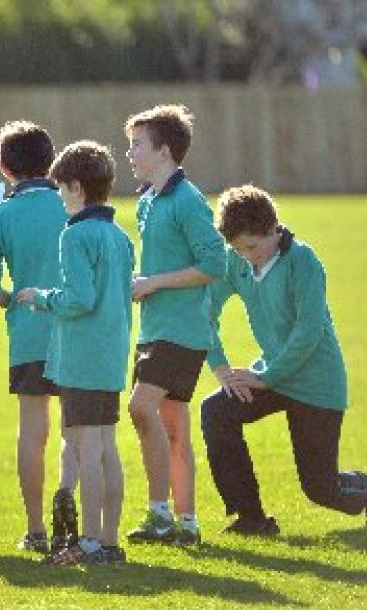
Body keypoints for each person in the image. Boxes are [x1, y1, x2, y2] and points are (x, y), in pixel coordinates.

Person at [202, 184, 367, 535]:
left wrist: (266, 377)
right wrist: (221, 369)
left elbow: (308, 333)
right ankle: (251, 518)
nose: (246, 256)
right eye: (238, 248)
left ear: (274, 229)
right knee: (216, 410)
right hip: (272, 375)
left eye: (252, 246)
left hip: (316, 384)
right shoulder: (237, 261)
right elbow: (205, 312)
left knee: (322, 490)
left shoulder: (304, 262)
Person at [18, 140, 133, 565]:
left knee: (87, 450)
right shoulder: (119, 236)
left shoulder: (76, 234)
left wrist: (40, 297)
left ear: (78, 188)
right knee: (106, 446)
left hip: (83, 357)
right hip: (111, 354)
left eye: (62, 188)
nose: (60, 197)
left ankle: (87, 543)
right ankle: (109, 541)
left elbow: (80, 298)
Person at [0, 120, 78, 554]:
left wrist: (13, 300)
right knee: (79, 430)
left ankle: (35, 529)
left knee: (32, 432)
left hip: (29, 337)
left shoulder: (1, 215)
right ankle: (70, 512)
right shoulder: (73, 206)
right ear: (51, 165)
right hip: (78, 333)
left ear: (4, 167)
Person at [124, 104, 226, 546]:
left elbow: (214, 263)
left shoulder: (187, 200)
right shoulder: (148, 200)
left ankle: (159, 515)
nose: (129, 153)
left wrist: (153, 283)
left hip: (180, 331)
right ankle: (186, 523)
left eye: (137, 145)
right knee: (172, 428)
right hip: (155, 328)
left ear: (163, 151)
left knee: (139, 408)